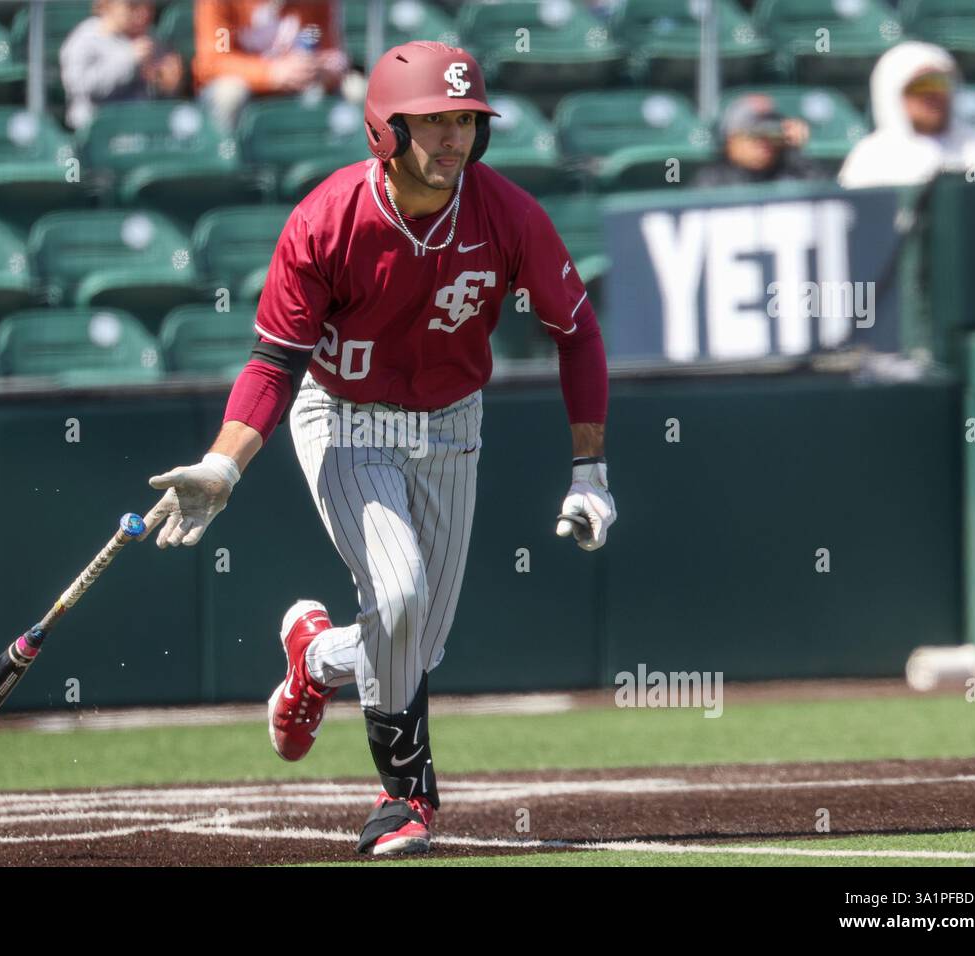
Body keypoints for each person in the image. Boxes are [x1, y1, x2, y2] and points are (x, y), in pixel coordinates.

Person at [144, 42, 615, 857]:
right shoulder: (326, 220)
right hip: (346, 416)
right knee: (398, 601)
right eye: (433, 121)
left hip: (452, 423)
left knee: (416, 644)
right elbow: (274, 363)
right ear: (384, 130)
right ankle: (406, 798)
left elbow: (577, 334)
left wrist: (590, 471)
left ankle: (314, 658)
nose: (454, 137)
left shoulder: (509, 215)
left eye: (466, 120)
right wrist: (223, 464)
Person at [839, 41, 975, 188]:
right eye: (920, 85)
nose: (933, 94)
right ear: (891, 94)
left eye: (940, 82)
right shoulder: (871, 159)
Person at [193, 0, 361, 132]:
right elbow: (214, 61)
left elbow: (333, 53)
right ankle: (226, 158)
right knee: (229, 93)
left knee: (357, 89)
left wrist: (322, 68)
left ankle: (339, 160)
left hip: (302, 84)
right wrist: (270, 73)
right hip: (247, 86)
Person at [60, 0, 184, 131]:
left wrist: (167, 82)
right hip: (97, 128)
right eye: (132, 6)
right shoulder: (85, 38)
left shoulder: (150, 38)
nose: (143, 13)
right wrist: (128, 60)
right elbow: (78, 85)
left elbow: (159, 94)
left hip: (142, 126)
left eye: (148, 6)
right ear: (107, 5)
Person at [695, 93, 825, 187]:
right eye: (753, 134)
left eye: (772, 134)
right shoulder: (712, 181)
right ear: (730, 140)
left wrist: (795, 152)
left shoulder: (792, 174)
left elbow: (822, 192)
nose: (764, 143)